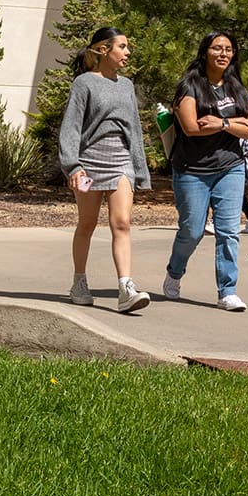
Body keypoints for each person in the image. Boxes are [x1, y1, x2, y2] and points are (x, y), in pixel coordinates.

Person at [163, 31, 248, 312]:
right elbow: (192, 127)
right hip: (192, 170)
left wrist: (222, 124)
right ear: (205, 52)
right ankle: (174, 272)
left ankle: (227, 291)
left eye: (229, 49)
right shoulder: (190, 86)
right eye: (217, 48)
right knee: (192, 231)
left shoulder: (237, 87)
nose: (224, 54)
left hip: (230, 167)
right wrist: (236, 120)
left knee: (229, 231)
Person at [58, 27, 151, 313]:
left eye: (127, 47)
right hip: (89, 162)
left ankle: (125, 287)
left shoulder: (127, 86)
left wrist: (139, 168)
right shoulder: (84, 84)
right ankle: (79, 282)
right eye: (122, 47)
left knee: (121, 223)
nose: (127, 52)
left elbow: (134, 128)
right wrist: (73, 165)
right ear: (102, 50)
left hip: (120, 160)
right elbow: (72, 127)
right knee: (86, 224)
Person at [204, 135, 248, 235]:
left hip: (238, 161)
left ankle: (216, 222)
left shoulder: (240, 123)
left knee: (224, 190)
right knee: (234, 192)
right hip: (227, 160)